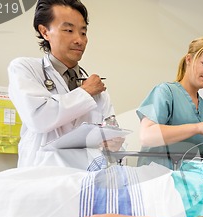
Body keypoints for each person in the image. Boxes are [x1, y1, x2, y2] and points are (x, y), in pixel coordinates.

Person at [8, 0, 123, 169]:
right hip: (42, 175)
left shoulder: (97, 89)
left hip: (86, 180)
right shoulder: (24, 68)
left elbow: (111, 132)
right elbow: (40, 118)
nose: (79, 40)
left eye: (83, 33)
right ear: (45, 32)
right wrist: (85, 92)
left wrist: (114, 144)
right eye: (69, 30)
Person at [136, 37, 203, 169]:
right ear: (188, 60)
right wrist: (197, 127)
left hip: (189, 180)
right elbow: (147, 136)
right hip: (157, 178)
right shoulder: (165, 92)